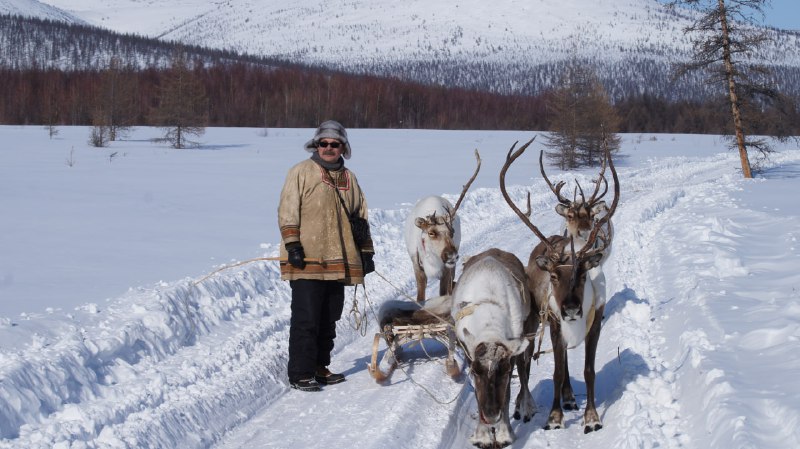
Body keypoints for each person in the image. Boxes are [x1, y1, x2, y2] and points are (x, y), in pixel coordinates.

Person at [277, 120, 375, 392]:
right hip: (306, 258)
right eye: (324, 143)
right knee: (306, 318)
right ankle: (300, 373)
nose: (329, 148)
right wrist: (292, 243)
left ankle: (320, 367)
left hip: (338, 260)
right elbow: (287, 209)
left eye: (335, 144)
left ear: (343, 147)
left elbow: (360, 216)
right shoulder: (300, 172)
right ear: (316, 144)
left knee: (329, 316)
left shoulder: (349, 178)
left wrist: (366, 251)